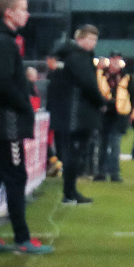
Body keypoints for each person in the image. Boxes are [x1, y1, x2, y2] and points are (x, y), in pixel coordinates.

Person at [0, 0, 52, 254]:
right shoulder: (4, 44)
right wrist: (24, 106)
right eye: (23, 9)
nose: (27, 14)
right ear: (9, 13)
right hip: (6, 125)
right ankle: (22, 239)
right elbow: (3, 83)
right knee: (15, 179)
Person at [45, 24, 107, 204]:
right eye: (90, 39)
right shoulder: (78, 58)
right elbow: (88, 84)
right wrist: (101, 102)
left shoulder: (68, 56)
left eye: (95, 39)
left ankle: (70, 191)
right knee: (74, 154)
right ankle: (69, 192)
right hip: (76, 115)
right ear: (80, 39)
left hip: (68, 113)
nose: (93, 43)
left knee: (72, 153)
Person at [97, 55, 134, 182]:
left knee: (115, 144)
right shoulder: (101, 75)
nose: (115, 64)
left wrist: (129, 113)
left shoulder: (127, 78)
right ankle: (101, 172)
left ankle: (114, 173)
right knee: (103, 144)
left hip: (119, 115)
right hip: (104, 114)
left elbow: (133, 96)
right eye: (113, 61)